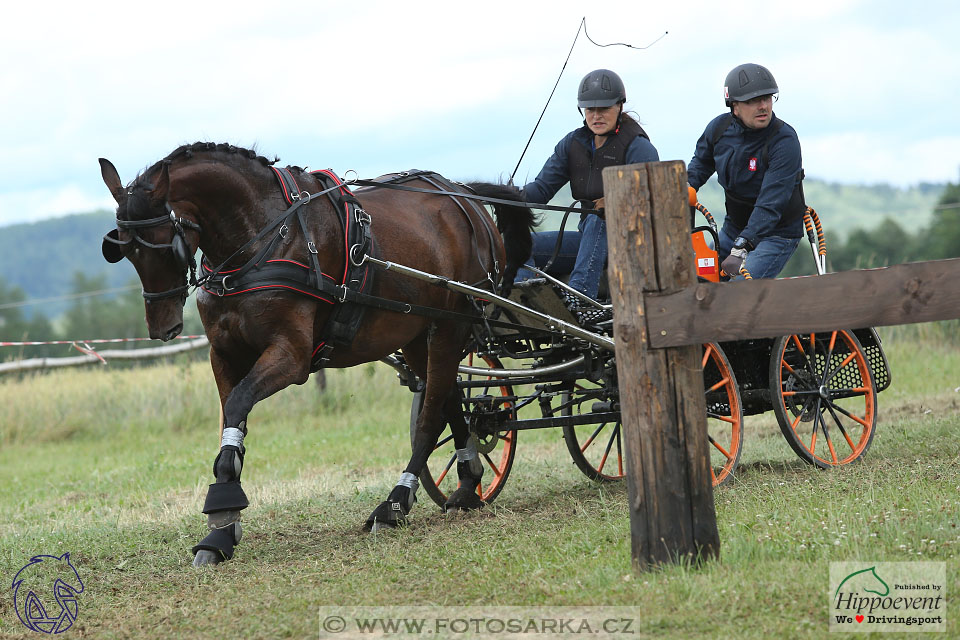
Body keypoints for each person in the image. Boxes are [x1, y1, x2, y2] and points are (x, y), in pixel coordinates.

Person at [516, 68, 659, 317]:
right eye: (590, 109)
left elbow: (654, 202)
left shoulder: (639, 147)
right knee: (522, 243)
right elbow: (540, 191)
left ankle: (580, 301)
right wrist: (504, 198)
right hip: (590, 242)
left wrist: (614, 202)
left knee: (598, 217)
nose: (596, 115)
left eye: (603, 108)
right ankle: (526, 305)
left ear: (619, 106)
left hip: (634, 245)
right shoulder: (573, 144)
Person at [687, 63, 805, 280]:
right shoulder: (719, 129)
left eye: (767, 98)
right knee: (696, 280)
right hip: (734, 228)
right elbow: (701, 163)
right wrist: (686, 186)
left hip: (776, 234)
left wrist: (742, 246)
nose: (763, 106)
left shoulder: (784, 140)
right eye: (753, 101)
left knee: (739, 292)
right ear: (734, 106)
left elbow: (771, 204)